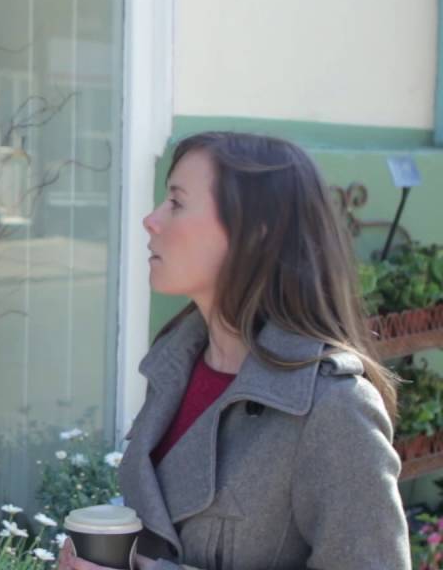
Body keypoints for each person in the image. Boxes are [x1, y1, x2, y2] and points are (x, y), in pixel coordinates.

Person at [59, 131, 409, 570]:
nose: (151, 219)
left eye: (177, 202)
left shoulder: (334, 406)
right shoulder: (173, 367)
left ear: (256, 233)